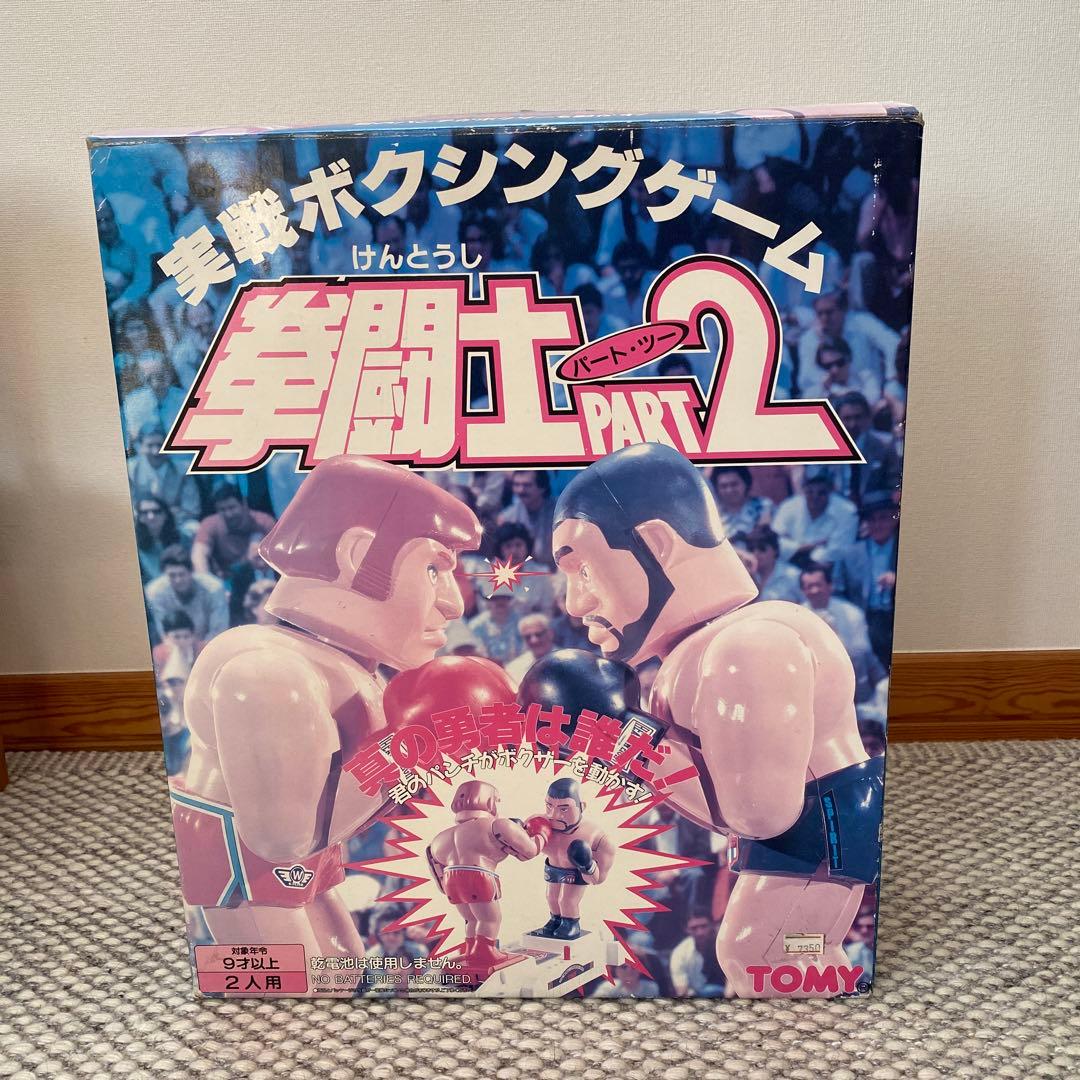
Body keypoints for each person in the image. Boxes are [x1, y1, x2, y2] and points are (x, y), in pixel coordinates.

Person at [547, 443, 881, 997]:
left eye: (582, 568)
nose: (574, 603)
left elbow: (757, 813)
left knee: (761, 950)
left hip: (815, 832)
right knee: (786, 948)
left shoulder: (746, 645)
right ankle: (833, 987)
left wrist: (624, 736)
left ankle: (821, 1028)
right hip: (811, 834)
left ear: (656, 544)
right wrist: (622, 739)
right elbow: (727, 805)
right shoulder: (713, 648)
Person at [172, 456, 484, 974]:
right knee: (302, 989)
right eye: (433, 569)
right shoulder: (272, 672)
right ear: (357, 557)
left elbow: (344, 810)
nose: (454, 602)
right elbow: (280, 839)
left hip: (305, 863)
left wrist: (426, 750)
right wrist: (413, 746)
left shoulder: (344, 666)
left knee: (345, 969)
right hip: (248, 877)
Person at [426, 780, 548, 974]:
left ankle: (471, 951)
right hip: (478, 875)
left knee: (471, 919)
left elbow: (436, 869)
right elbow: (530, 851)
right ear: (490, 802)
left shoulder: (440, 837)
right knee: (490, 919)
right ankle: (484, 952)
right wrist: (541, 832)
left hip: (450, 881)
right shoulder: (496, 825)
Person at [800, 564, 885, 703]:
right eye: (809, 586)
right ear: (803, 591)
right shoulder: (797, 615)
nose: (814, 590)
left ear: (830, 586)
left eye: (818, 585)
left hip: (853, 678)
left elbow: (861, 652)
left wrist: (834, 637)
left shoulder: (852, 613)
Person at [834, 490, 899, 667]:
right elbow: (838, 593)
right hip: (865, 620)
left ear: (895, 518)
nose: (877, 525)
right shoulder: (851, 555)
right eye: (872, 520)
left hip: (897, 619)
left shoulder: (907, 548)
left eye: (883, 518)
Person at [771, 470, 858, 568]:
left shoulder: (847, 510)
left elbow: (838, 551)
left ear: (831, 490)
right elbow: (774, 541)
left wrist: (792, 549)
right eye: (810, 492)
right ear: (803, 490)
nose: (815, 497)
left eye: (821, 493)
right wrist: (804, 547)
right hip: (790, 566)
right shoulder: (789, 506)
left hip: (831, 568)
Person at [829, 392, 901, 508]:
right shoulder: (827, 447)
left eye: (858, 417)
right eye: (847, 418)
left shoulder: (884, 445)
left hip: (873, 509)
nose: (853, 424)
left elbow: (894, 483)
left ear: (868, 418)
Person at [191, 483, 276, 578]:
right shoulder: (210, 524)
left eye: (232, 508)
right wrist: (205, 579)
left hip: (262, 576)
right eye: (222, 509)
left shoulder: (264, 522)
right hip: (227, 579)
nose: (228, 514)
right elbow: (199, 554)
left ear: (244, 504)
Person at [145, 546, 229, 641]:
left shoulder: (213, 588)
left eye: (182, 574)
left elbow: (218, 630)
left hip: (209, 643)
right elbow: (164, 632)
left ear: (191, 572)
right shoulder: (155, 592)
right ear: (164, 574)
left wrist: (202, 648)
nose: (178, 580)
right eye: (172, 575)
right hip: (176, 644)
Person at [127, 424, 201, 528]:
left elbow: (192, 509)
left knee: (194, 527)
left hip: (174, 523)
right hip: (142, 522)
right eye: (150, 445)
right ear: (140, 447)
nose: (155, 451)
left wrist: (164, 517)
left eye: (160, 445)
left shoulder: (182, 471)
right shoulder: (130, 470)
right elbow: (129, 508)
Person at [498, 470, 556, 567]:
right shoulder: (507, 518)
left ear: (542, 487)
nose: (521, 490)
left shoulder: (559, 513)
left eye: (527, 485)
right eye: (516, 485)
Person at [669, 908, 727, 998]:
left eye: (704, 926)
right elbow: (682, 990)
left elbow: (734, 981)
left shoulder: (725, 945)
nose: (700, 932)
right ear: (686, 929)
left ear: (712, 924)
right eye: (694, 928)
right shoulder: (680, 954)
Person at [740, 526, 802, 603]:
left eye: (762, 548)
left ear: (775, 550)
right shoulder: (745, 576)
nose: (756, 553)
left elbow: (807, 603)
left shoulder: (793, 575)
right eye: (751, 549)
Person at [134, 496, 186, 582]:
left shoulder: (183, 537)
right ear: (139, 517)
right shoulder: (134, 544)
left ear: (165, 514)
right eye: (145, 512)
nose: (151, 516)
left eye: (156, 511)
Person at [710, 467, 772, 538]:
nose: (729, 490)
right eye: (723, 486)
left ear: (746, 483)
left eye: (734, 484)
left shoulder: (763, 506)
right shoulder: (712, 512)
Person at [468, 593, 524, 666]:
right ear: (488, 603)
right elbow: (477, 651)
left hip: (518, 665)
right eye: (495, 599)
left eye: (504, 598)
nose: (500, 602)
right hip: (488, 665)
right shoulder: (476, 625)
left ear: (511, 600)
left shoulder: (521, 621)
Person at [505, 613, 556, 684]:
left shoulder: (567, 661)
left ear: (550, 633)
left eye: (538, 634)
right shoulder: (514, 669)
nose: (534, 640)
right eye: (527, 637)